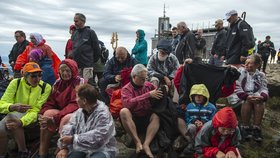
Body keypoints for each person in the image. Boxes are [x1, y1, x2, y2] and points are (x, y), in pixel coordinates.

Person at [0, 62, 51, 158]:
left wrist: (21, 122)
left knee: (11, 120)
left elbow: (36, 110)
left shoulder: (45, 87)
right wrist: (12, 107)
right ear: (24, 75)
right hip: (15, 114)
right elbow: (2, 104)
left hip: (33, 117)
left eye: (40, 75)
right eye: (33, 76)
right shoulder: (16, 83)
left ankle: (21, 151)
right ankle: (16, 153)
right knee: (5, 125)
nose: (38, 79)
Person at [38, 59, 84, 158]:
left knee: (66, 119)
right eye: (62, 71)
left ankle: (63, 148)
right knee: (47, 114)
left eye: (68, 71)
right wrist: (42, 113)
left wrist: (56, 117)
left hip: (77, 112)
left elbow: (75, 104)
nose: (64, 73)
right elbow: (51, 101)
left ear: (73, 71)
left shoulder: (79, 83)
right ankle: (43, 151)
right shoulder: (58, 83)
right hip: (62, 110)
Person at [56, 84, 117, 158]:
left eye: (77, 97)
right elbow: (69, 127)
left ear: (84, 101)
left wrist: (73, 139)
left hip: (102, 148)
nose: (76, 100)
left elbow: (99, 137)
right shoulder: (80, 112)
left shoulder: (103, 114)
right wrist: (64, 147)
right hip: (82, 147)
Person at [120, 64, 163, 158]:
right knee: (124, 111)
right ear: (134, 77)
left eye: (145, 78)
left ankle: (146, 144)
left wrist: (163, 90)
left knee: (157, 116)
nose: (144, 81)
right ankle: (137, 142)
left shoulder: (148, 85)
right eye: (142, 79)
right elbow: (128, 104)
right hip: (134, 119)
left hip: (147, 117)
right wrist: (147, 95)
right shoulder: (126, 89)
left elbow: (157, 92)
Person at [235, 55, 268, 142]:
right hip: (241, 97)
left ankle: (256, 128)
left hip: (254, 95)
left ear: (257, 65)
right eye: (247, 62)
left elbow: (264, 88)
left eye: (250, 63)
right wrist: (246, 96)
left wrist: (262, 96)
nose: (247, 64)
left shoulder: (261, 75)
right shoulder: (241, 72)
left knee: (259, 102)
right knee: (247, 102)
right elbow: (237, 86)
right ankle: (245, 127)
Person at [70, 13, 101, 83]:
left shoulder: (90, 32)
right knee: (78, 83)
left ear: (83, 21)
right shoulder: (75, 33)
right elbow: (74, 47)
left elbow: (97, 49)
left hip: (87, 65)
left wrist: (91, 61)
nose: (75, 23)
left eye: (76, 21)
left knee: (87, 83)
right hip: (77, 64)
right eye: (74, 21)